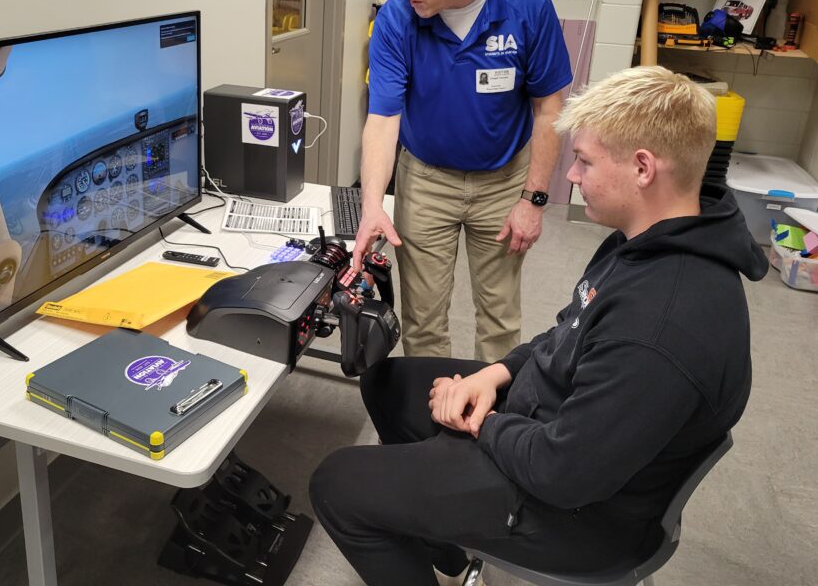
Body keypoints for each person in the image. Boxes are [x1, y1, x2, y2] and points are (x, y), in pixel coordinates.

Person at [311, 66, 768, 586]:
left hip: (573, 513)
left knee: (336, 485)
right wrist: (494, 377)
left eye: (584, 161)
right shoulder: (648, 238)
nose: (570, 175)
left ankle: (449, 520)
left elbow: (563, 473)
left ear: (643, 168)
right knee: (388, 383)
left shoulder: (662, 325)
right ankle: (449, 551)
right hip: (552, 424)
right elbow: (566, 333)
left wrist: (479, 423)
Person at [354, 0, 573, 362]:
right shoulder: (397, 18)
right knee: (423, 318)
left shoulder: (526, 5)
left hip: (504, 181)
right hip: (426, 181)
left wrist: (534, 201)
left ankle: (492, 422)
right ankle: (429, 415)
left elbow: (550, 108)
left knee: (498, 315)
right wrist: (373, 203)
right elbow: (383, 117)